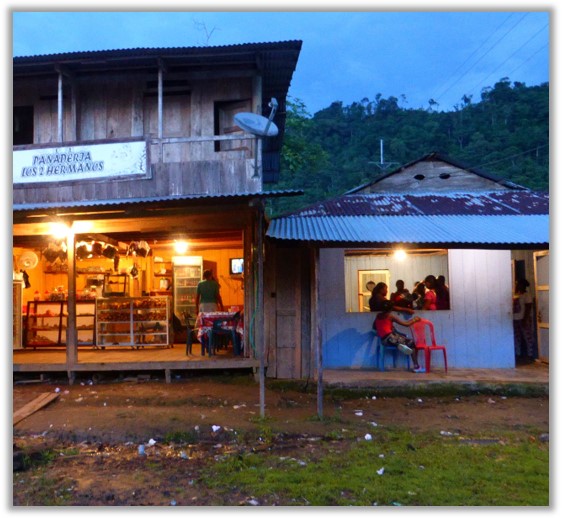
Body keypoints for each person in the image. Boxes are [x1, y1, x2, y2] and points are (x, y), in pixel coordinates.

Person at [373, 300, 424, 373]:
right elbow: (406, 324)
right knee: (411, 343)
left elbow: (374, 327)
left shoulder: (378, 316)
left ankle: (399, 345)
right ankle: (416, 367)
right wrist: (415, 319)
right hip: (390, 337)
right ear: (391, 309)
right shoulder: (390, 316)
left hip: (383, 340)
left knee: (399, 338)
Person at [513, 278, 536, 363]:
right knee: (516, 337)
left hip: (523, 318)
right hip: (515, 318)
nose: (518, 286)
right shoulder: (515, 294)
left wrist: (525, 319)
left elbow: (528, 307)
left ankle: (530, 355)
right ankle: (517, 354)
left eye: (519, 284)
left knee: (528, 337)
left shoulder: (527, 295)